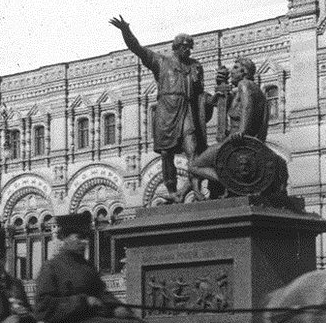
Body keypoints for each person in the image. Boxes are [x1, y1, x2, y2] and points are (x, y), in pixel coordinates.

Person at [110, 15, 210, 202]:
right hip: (166, 111)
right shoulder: (161, 62)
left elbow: (201, 95)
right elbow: (137, 49)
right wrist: (126, 31)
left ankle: (196, 190)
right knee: (166, 153)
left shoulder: (195, 66)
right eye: (185, 46)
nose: (188, 50)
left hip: (186, 109)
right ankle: (172, 192)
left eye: (190, 47)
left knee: (192, 149)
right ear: (176, 47)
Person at [188, 57, 269, 189]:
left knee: (194, 166)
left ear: (245, 72)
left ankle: (229, 181)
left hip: (234, 141)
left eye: (236, 68)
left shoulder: (244, 84)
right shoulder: (258, 91)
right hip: (247, 141)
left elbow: (246, 107)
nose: (232, 71)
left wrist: (242, 131)